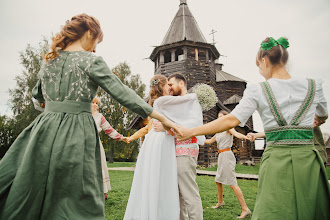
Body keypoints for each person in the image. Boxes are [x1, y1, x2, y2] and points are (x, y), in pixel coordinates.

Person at [0, 14, 179, 220]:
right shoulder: (90, 61)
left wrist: (55, 107)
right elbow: (123, 93)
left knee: (33, 185)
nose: (95, 48)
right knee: (76, 194)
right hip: (76, 132)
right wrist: (163, 118)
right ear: (89, 33)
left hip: (43, 130)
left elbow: (37, 96)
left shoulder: (48, 61)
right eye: (96, 41)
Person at [177, 37, 329, 219]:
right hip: (308, 160)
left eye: (259, 66)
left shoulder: (258, 90)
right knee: (310, 209)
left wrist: (192, 131)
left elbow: (231, 119)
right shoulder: (314, 85)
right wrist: (316, 121)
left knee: (274, 210)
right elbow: (323, 114)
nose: (260, 71)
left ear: (264, 61)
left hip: (277, 160)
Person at [124, 75, 180, 220]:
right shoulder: (165, 101)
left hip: (152, 141)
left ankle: (149, 209)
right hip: (162, 140)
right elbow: (171, 124)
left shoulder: (154, 102)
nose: (170, 87)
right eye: (167, 84)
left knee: (152, 175)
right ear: (161, 86)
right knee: (162, 176)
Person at [167, 73, 205, 220]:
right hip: (175, 151)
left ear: (181, 84)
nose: (169, 88)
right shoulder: (178, 103)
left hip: (187, 150)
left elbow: (190, 125)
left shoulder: (191, 101)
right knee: (178, 194)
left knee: (189, 192)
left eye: (171, 85)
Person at [204, 110, 250, 218]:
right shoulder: (219, 130)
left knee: (232, 183)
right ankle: (220, 202)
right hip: (221, 156)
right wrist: (196, 139)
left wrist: (245, 137)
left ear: (226, 118)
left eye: (222, 116)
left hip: (227, 156)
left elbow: (237, 134)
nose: (219, 118)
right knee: (218, 181)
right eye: (218, 116)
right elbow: (210, 141)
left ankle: (245, 209)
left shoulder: (228, 128)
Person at [92, 97, 129, 200]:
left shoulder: (99, 116)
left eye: (96, 103)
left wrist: (122, 138)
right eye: (92, 102)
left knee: (98, 167)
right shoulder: (81, 115)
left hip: (95, 144)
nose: (95, 105)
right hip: (82, 144)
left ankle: (102, 192)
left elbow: (109, 130)